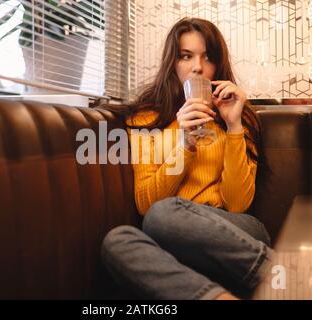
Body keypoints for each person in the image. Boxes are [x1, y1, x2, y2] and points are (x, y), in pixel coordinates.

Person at [100, 17, 274, 300]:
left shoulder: (240, 118)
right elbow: (146, 204)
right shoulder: (146, 120)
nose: (197, 67)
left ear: (217, 65)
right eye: (186, 56)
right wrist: (185, 145)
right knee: (117, 240)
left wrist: (233, 127)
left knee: (163, 215)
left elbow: (239, 205)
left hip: (235, 234)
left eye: (207, 57)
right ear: (173, 63)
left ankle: (279, 274)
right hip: (174, 241)